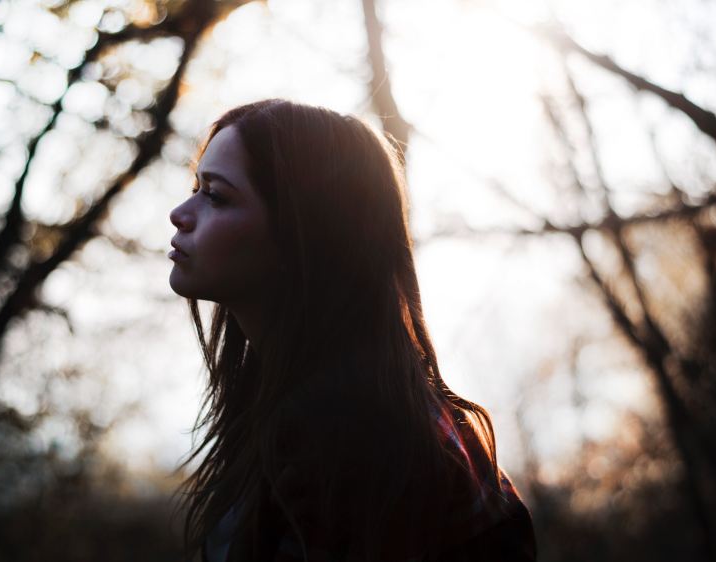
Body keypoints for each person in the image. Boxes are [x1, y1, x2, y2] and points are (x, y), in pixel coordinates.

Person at [168, 99, 536, 562]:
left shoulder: (347, 443)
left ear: (303, 232)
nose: (179, 213)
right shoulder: (302, 408)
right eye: (196, 187)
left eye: (216, 195)